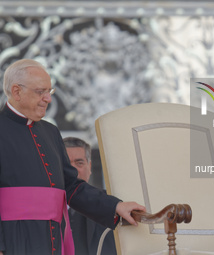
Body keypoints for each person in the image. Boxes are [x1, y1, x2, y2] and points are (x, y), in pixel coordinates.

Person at [0, 59, 145, 255]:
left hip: (51, 239)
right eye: (40, 92)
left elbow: (71, 186)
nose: (47, 99)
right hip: (13, 240)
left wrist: (115, 205)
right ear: (17, 91)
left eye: (49, 92)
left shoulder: (50, 132)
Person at [63, 137, 116, 255]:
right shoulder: (39, 208)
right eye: (66, 164)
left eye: (79, 163)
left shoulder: (112, 204)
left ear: (89, 166)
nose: (73, 171)